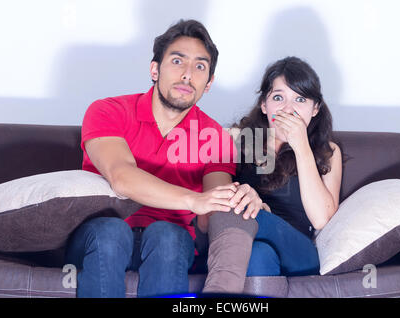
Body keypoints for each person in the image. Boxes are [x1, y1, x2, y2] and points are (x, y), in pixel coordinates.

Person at [65, 19, 262, 298]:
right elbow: (121, 177)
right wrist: (192, 199)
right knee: (111, 231)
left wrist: (242, 197)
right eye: (178, 61)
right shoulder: (108, 110)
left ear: (208, 84)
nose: (187, 75)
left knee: (168, 235)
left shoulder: (215, 137)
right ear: (155, 70)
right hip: (98, 235)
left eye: (200, 67)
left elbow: (210, 210)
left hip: (171, 242)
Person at [201, 56, 343, 292]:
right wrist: (247, 197)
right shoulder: (238, 142)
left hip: (299, 251)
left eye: (300, 99)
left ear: (315, 108)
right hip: (243, 245)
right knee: (258, 255)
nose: (288, 109)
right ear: (264, 105)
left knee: (245, 211)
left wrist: (301, 147)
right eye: (278, 98)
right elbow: (210, 211)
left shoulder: (327, 151)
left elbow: (321, 219)